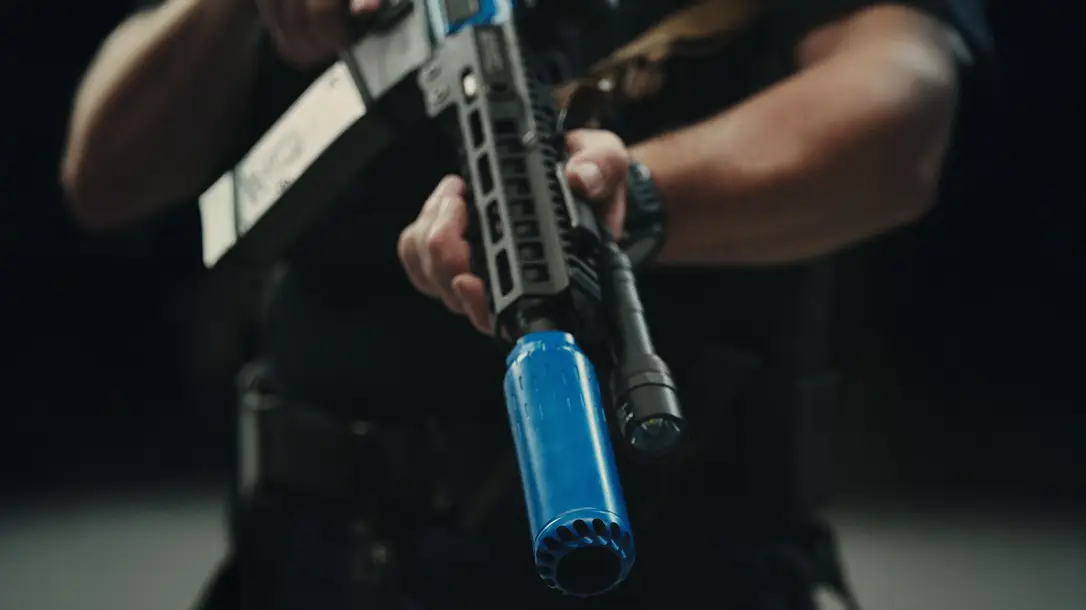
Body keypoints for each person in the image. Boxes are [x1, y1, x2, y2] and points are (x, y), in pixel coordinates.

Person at [61, 0, 993, 609]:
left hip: (673, 549)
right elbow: (104, 175)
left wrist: (633, 198)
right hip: (310, 545)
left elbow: (900, 108)